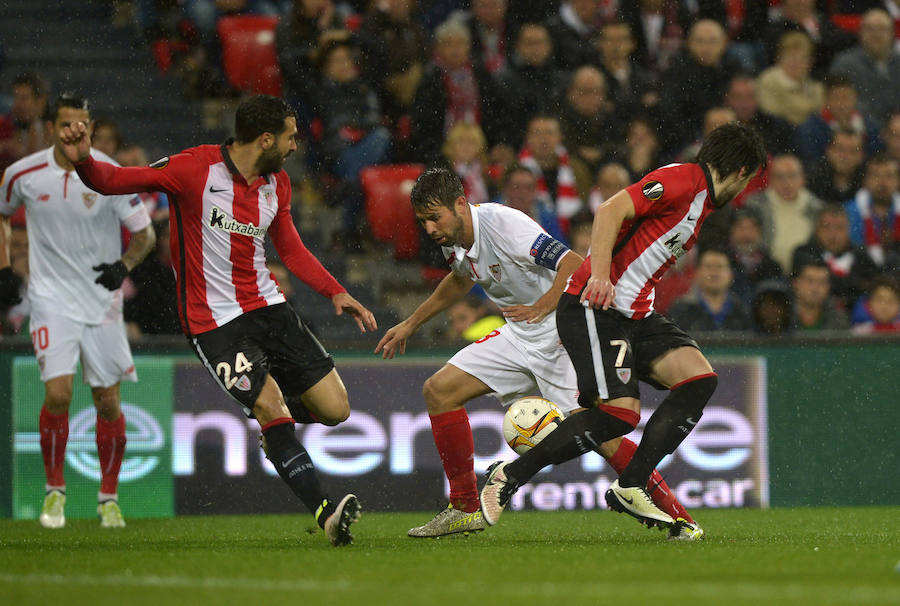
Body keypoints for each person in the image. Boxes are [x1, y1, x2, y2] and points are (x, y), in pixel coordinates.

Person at [58, 95, 375, 546]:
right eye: (288, 137)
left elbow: (290, 248)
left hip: (268, 307)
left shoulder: (277, 184)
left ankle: (276, 430)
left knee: (336, 410)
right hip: (214, 323)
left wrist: (336, 292)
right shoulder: (193, 169)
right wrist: (85, 160)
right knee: (270, 406)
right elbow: (116, 180)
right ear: (265, 139)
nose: (293, 146)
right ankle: (324, 509)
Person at [376, 167, 702, 540]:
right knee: (439, 390)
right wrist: (411, 323)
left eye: (435, 218)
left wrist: (544, 306)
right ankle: (464, 508)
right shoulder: (454, 238)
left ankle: (681, 518)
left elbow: (573, 263)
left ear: (461, 204)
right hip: (519, 334)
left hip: (561, 333)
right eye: (423, 221)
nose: (430, 229)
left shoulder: (504, 224)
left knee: (603, 436)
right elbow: (463, 278)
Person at [479, 122, 766, 532]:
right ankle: (509, 476)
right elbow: (610, 209)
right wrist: (599, 275)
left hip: (637, 315)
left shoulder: (702, 204)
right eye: (749, 179)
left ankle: (631, 484)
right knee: (618, 415)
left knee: (699, 379)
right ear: (741, 172)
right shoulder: (682, 180)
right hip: (594, 307)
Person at [0, 93, 157, 528]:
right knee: (58, 394)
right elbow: (1, 212)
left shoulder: (109, 173)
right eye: (68, 124)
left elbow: (146, 236)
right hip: (50, 298)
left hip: (102, 302)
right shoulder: (22, 174)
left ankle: (108, 498)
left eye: (82, 124)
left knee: (107, 402)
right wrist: (4, 269)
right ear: (51, 128)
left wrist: (123, 266)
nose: (76, 132)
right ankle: (55, 492)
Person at [744, 153, 824, 274]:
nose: (786, 182)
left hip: (804, 277)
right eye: (779, 177)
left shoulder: (816, 208)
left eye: (792, 176)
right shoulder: (755, 206)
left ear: (803, 179)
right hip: (765, 273)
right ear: (770, 179)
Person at [667, 247, 752, 332]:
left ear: (731, 275)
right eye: (708, 266)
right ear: (697, 273)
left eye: (720, 267)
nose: (714, 272)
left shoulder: (742, 310)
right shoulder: (680, 310)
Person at [790, 258, 851, 331]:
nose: (816, 288)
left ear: (829, 286)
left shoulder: (839, 320)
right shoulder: (781, 315)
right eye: (810, 281)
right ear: (795, 283)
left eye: (822, 282)